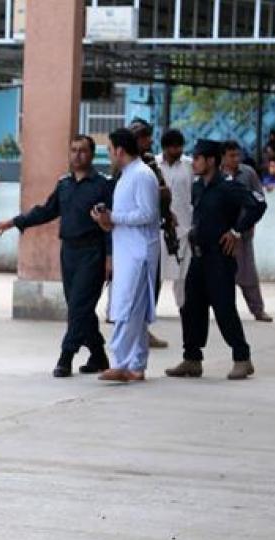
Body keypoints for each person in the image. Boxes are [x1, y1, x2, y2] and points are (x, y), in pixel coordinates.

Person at [0, 136, 112, 377]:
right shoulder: (64, 184)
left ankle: (65, 357)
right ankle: (99, 356)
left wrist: (110, 257)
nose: (78, 155)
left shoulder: (102, 185)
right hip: (68, 252)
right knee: (80, 308)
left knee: (78, 307)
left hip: (92, 252)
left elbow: (110, 224)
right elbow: (47, 211)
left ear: (91, 154)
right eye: (74, 150)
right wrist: (15, 222)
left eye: (83, 151)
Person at [165, 140, 267, 381]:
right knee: (190, 308)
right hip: (198, 256)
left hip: (219, 258)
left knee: (223, 308)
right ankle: (192, 359)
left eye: (199, 158)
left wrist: (236, 231)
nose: (195, 163)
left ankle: (242, 358)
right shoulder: (199, 187)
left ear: (211, 160)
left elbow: (259, 204)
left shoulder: (229, 187)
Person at [91, 128, 159, 383]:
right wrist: (106, 219)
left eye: (109, 149)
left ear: (119, 150)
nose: (109, 154)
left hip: (138, 253)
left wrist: (114, 218)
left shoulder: (141, 175)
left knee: (127, 308)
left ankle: (120, 362)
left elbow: (148, 214)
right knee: (134, 311)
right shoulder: (127, 176)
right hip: (127, 251)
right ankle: (136, 365)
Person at [127, 118, 172, 348]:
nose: (150, 141)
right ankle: (134, 331)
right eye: (145, 137)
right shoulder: (126, 165)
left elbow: (163, 191)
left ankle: (142, 328)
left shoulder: (150, 162)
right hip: (132, 233)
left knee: (151, 282)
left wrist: (168, 210)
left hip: (151, 230)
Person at [221, 140, 272, 322]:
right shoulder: (217, 174)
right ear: (223, 157)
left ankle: (258, 309)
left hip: (242, 231)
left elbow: (259, 198)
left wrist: (251, 222)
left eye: (238, 155)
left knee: (247, 273)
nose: (236, 159)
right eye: (231, 155)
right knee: (219, 275)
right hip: (221, 233)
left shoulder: (248, 173)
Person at [157, 129, 193, 310]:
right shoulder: (154, 165)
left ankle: (184, 307)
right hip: (159, 227)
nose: (177, 150)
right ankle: (150, 309)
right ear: (164, 148)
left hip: (184, 226)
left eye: (180, 147)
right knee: (157, 271)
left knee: (184, 272)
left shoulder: (189, 165)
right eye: (173, 147)